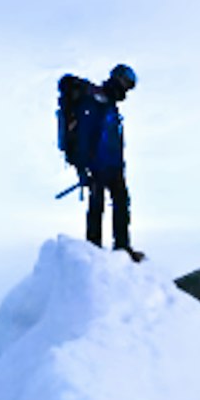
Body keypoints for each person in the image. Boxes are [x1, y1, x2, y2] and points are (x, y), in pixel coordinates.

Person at [65, 63, 140, 260]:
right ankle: (94, 249)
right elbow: (85, 136)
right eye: (126, 84)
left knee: (119, 203)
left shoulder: (109, 104)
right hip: (96, 166)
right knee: (98, 206)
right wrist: (84, 168)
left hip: (113, 166)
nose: (126, 90)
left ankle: (122, 247)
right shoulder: (95, 102)